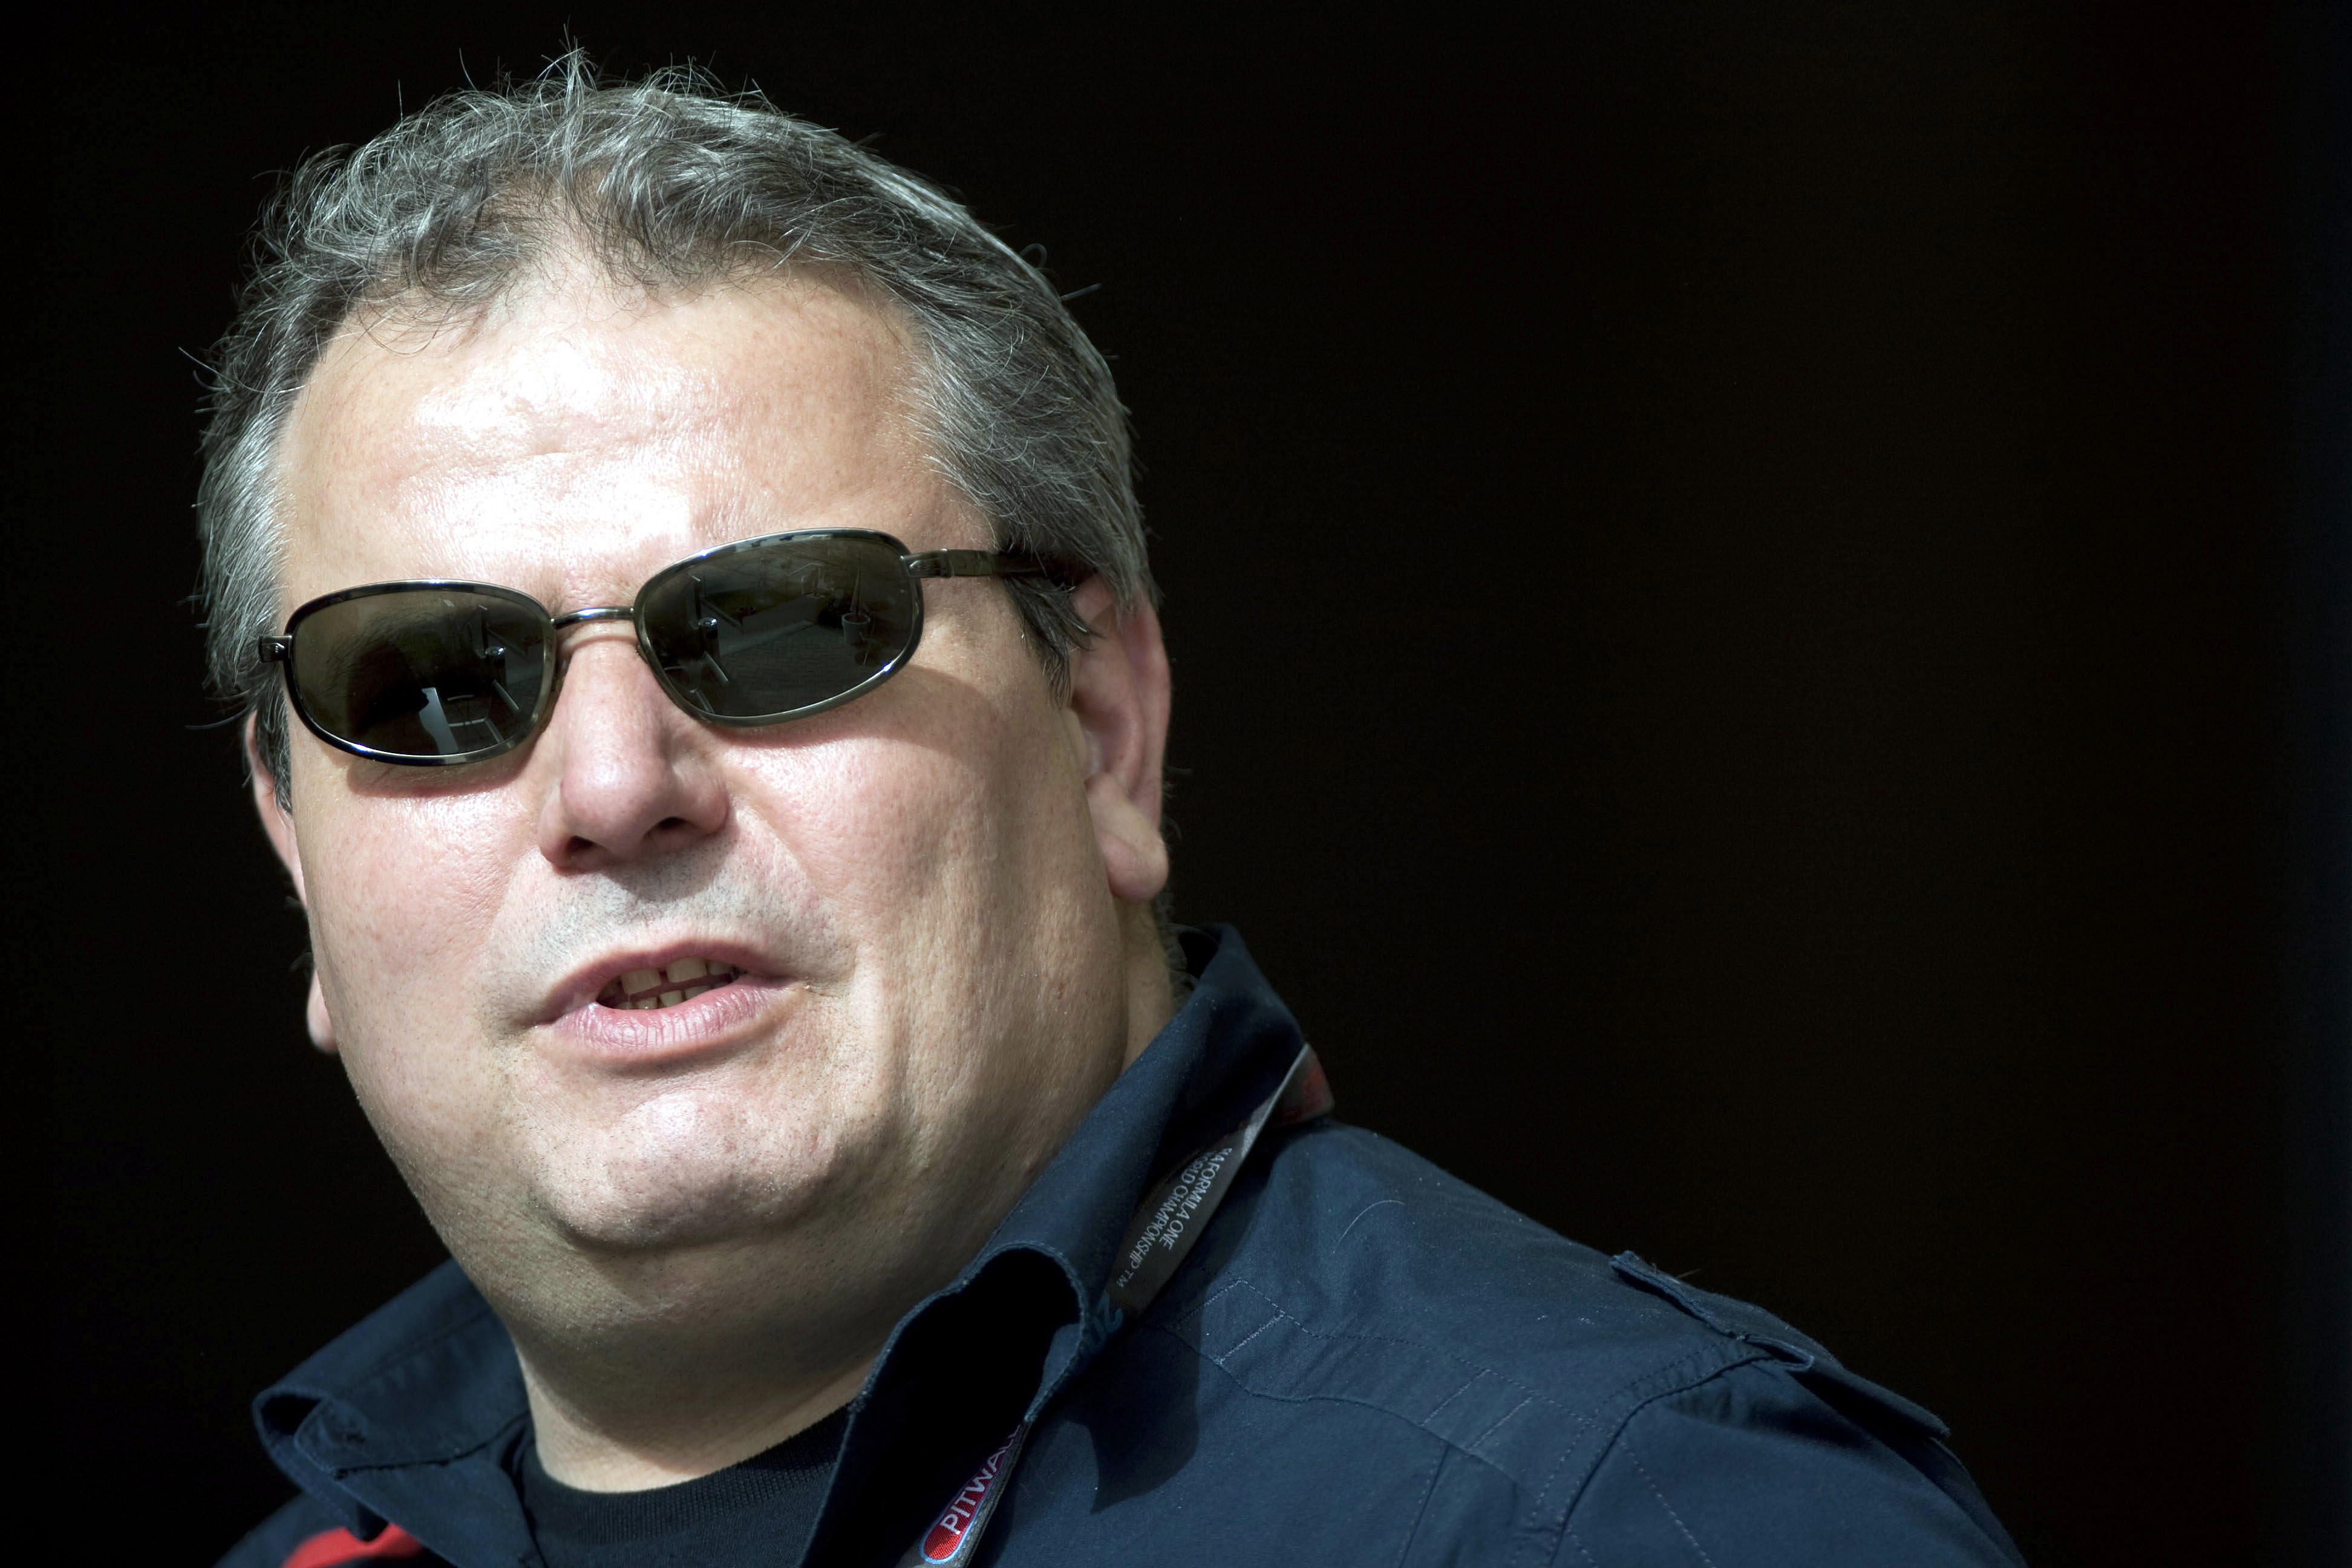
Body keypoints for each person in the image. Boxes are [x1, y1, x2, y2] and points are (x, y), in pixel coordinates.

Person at [201, 59, 2025, 1568]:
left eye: (780, 629)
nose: (614, 788)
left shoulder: (1632, 1518)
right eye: (423, 681)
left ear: (1102, 733)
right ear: (296, 850)